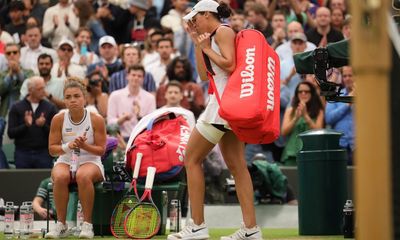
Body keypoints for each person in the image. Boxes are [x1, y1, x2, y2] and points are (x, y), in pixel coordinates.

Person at [167, 1, 262, 239]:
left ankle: (197, 226)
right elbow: (202, 74)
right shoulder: (210, 35)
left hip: (222, 107)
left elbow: (230, 65)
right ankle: (251, 230)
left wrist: (207, 47)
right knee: (237, 166)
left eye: (196, 17)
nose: (193, 22)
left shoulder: (224, 30)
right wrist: (198, 43)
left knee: (191, 158)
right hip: (224, 106)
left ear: (207, 14)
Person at [45, 77, 106, 239]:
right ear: (64, 100)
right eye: (68, 97)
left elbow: (101, 150)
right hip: (66, 160)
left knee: (82, 175)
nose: (73, 100)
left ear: (84, 98)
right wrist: (68, 146)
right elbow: (52, 149)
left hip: (91, 160)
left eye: (77, 96)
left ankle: (87, 226)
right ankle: (61, 225)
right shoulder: (58, 119)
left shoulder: (96, 119)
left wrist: (84, 146)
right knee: (59, 176)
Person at [7, 76, 58, 168]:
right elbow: (10, 133)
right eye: (39, 89)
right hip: (22, 152)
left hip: (43, 153)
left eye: (44, 88)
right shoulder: (16, 107)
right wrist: (25, 125)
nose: (43, 91)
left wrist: (44, 125)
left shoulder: (50, 107)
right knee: (22, 181)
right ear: (30, 90)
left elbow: (56, 134)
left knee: (44, 180)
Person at [281, 82, 324, 165]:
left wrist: (305, 116)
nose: (303, 94)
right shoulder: (290, 110)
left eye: (306, 91)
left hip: (312, 152)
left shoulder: (319, 111)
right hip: (292, 152)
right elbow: (284, 132)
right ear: (296, 94)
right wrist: (296, 118)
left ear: (312, 93)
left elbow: (319, 132)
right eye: (300, 92)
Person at [325, 66, 355, 165]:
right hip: (340, 146)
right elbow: (328, 118)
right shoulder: (336, 96)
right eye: (344, 76)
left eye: (350, 75)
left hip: (360, 147)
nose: (347, 78)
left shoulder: (366, 96)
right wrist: (347, 104)